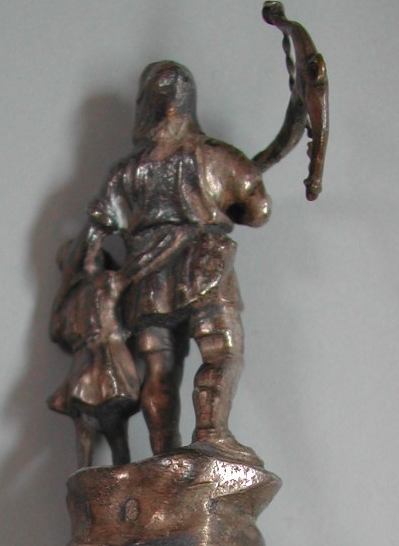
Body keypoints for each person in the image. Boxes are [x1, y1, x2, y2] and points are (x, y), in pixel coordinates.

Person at [81, 60, 271, 464]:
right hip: (203, 269)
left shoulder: (127, 171)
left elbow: (96, 228)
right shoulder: (214, 156)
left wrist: (96, 276)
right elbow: (259, 212)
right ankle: (211, 432)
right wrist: (240, 192)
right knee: (222, 352)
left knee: (159, 369)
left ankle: (163, 455)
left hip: (145, 277)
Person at [47, 237, 140, 468]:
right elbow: (58, 331)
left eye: (92, 254)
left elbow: (132, 277)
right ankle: (86, 471)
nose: (88, 258)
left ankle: (119, 470)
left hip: (108, 355)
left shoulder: (108, 281)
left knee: (114, 422)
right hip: (88, 360)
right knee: (85, 420)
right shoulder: (74, 297)